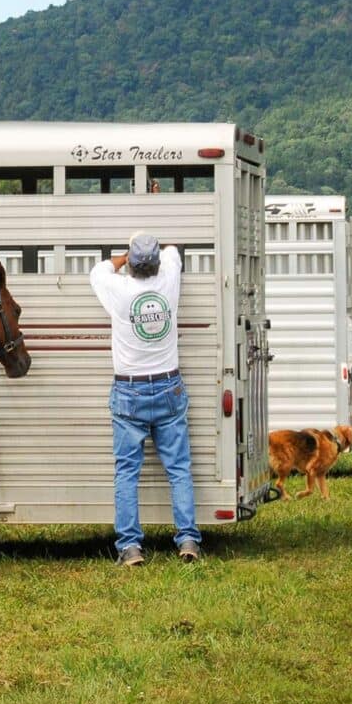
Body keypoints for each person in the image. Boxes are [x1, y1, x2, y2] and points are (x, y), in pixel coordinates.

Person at [89, 232, 203, 565]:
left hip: (129, 391)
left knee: (127, 472)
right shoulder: (169, 278)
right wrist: (145, 251)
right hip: (169, 387)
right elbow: (170, 250)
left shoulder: (118, 290)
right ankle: (188, 541)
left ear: (131, 263)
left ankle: (130, 547)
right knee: (179, 469)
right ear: (154, 263)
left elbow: (98, 270)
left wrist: (124, 257)